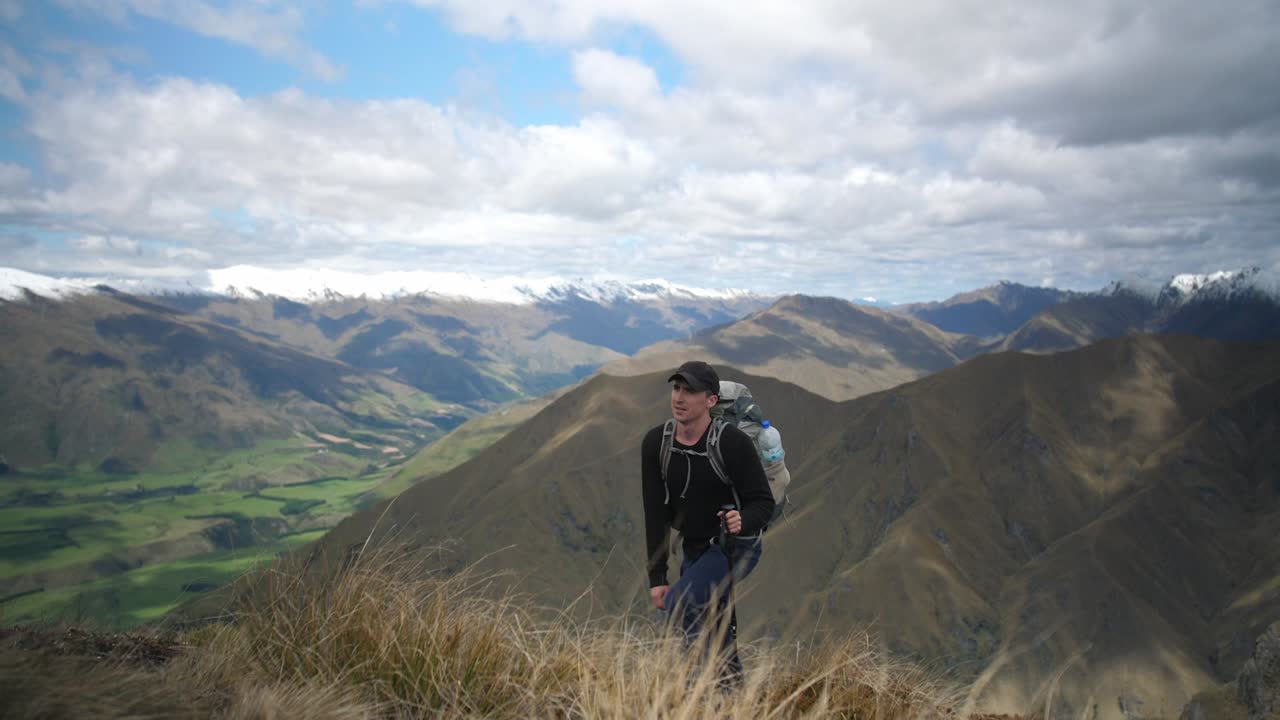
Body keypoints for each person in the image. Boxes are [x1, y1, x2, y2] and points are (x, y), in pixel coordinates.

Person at [641, 360, 775, 683]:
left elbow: (764, 503)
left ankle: (695, 691)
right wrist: (657, 576)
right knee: (715, 630)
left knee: (681, 606)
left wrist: (741, 519)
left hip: (736, 547)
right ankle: (732, 698)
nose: (679, 397)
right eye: (676, 388)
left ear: (711, 401)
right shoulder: (657, 443)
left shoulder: (732, 444)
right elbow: (654, 513)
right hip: (695, 548)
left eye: (690, 391)